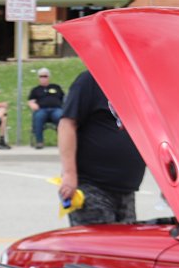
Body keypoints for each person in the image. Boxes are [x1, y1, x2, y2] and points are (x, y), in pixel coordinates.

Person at [57, 70, 145, 225]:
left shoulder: (134, 84)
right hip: (93, 187)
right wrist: (69, 174)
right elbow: (67, 125)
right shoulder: (89, 80)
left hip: (126, 190)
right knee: (99, 245)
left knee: (123, 246)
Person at [27, 68, 65, 149]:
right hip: (42, 109)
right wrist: (32, 104)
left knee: (60, 117)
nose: (43, 78)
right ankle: (39, 142)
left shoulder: (56, 87)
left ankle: (62, 141)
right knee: (38, 117)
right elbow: (30, 101)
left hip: (56, 109)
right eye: (41, 76)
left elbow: (64, 98)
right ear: (38, 78)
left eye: (45, 76)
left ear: (49, 77)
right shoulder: (35, 90)